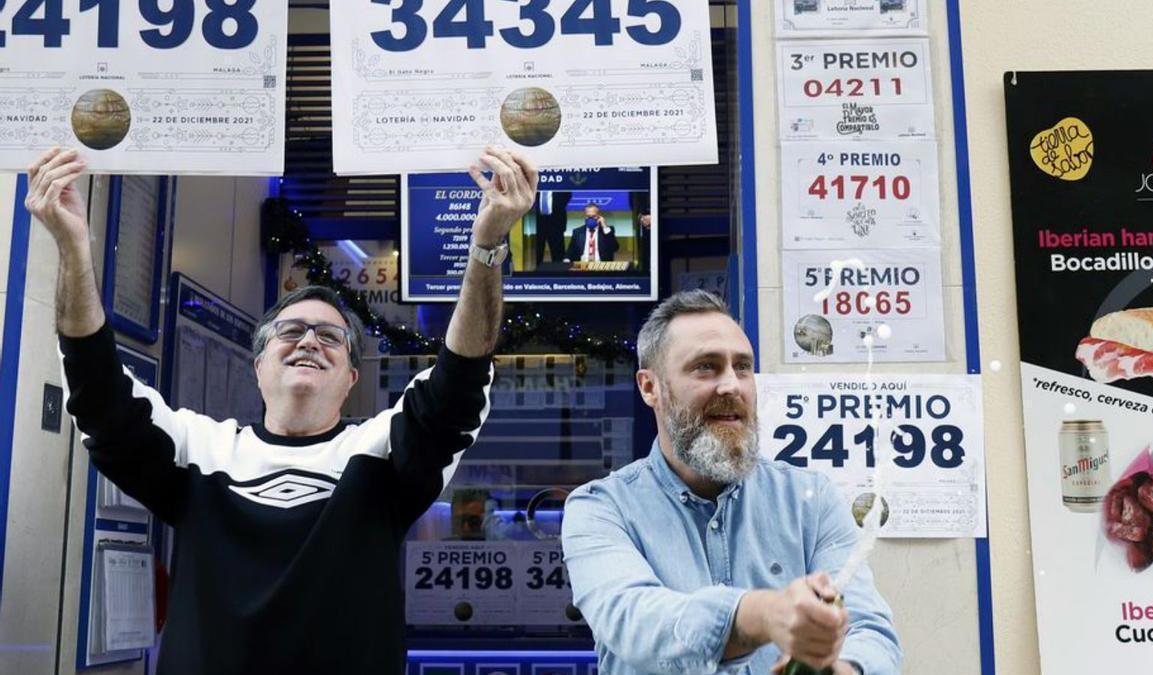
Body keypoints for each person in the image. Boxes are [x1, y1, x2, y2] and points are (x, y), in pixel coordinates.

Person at [30, 145, 538, 674]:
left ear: (351, 379)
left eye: (331, 338)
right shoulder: (199, 449)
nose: (309, 342)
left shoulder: (382, 453)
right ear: (258, 366)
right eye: (290, 332)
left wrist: (485, 245)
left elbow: (459, 382)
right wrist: (72, 247)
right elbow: (99, 395)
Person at [561, 290, 901, 674]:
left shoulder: (810, 500)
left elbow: (869, 629)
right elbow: (634, 622)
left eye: (742, 367)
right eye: (706, 367)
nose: (731, 386)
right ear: (649, 387)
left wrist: (843, 668)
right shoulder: (600, 508)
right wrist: (760, 615)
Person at [535, 188, 571, 264]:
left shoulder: (559, 180)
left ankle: (558, 273)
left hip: (556, 221)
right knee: (538, 251)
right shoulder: (538, 181)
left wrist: (557, 206)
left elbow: (567, 194)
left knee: (558, 252)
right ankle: (537, 273)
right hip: (540, 221)